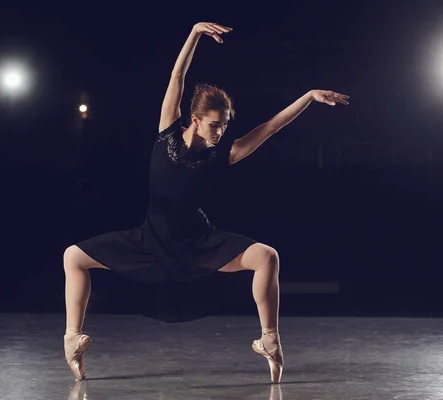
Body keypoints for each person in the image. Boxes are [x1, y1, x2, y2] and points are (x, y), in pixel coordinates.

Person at [62, 21, 349, 384]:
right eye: (215, 125)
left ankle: (269, 340)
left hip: (198, 241)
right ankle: (72, 339)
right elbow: (178, 74)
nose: (221, 131)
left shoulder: (223, 154)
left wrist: (308, 96)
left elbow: (272, 126)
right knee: (73, 256)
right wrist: (195, 33)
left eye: (226, 124)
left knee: (267, 257)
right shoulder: (167, 130)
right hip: (151, 239)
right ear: (195, 120)